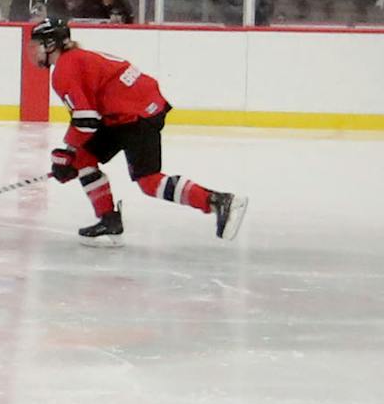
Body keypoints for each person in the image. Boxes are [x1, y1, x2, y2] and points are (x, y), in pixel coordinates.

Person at [33, 18, 247, 242]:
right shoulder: (75, 59)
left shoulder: (64, 70)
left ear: (50, 44)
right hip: (128, 112)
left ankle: (217, 201)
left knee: (149, 181)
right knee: (83, 157)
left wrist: (67, 153)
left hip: (138, 114)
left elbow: (86, 120)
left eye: (37, 44)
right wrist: (72, 154)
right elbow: (89, 116)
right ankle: (109, 220)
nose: (34, 51)